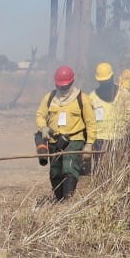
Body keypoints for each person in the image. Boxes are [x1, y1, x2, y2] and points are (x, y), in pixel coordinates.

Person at [34, 65, 95, 201]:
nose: (62, 89)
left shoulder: (82, 98)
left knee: (69, 167)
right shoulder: (49, 98)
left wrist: (89, 144)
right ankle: (60, 201)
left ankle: (68, 201)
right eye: (60, 86)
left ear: (72, 82)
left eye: (65, 86)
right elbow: (40, 115)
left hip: (74, 140)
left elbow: (91, 122)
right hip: (54, 141)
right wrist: (43, 127)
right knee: (55, 173)